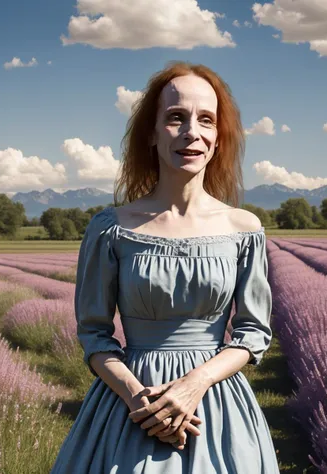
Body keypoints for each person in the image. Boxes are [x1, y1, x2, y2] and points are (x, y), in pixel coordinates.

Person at [50, 61, 280, 473]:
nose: (192, 131)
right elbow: (94, 333)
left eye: (206, 120)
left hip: (215, 406)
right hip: (131, 407)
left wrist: (194, 386)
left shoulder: (244, 228)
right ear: (152, 134)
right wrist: (139, 399)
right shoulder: (111, 228)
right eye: (176, 118)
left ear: (218, 139)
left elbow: (253, 332)